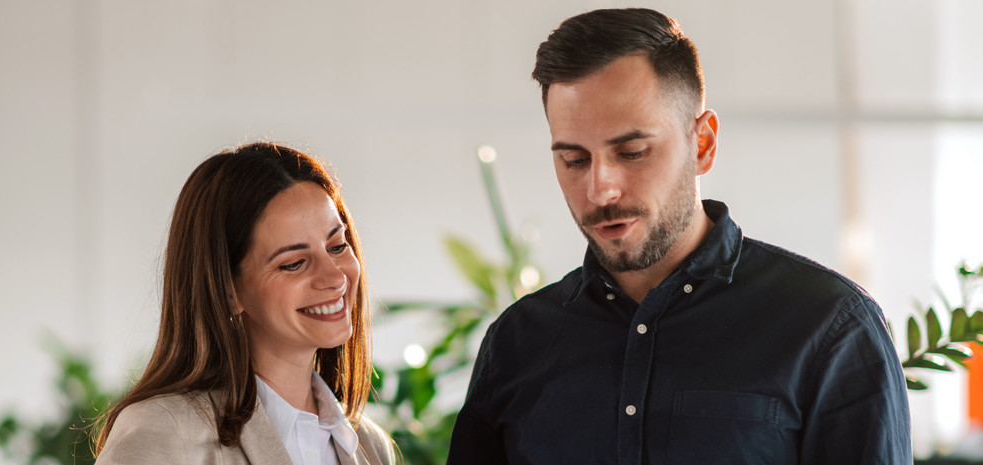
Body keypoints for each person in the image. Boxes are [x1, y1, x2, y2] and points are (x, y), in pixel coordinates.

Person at [447, 8, 910, 464]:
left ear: (703, 143)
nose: (600, 188)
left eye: (631, 152)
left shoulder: (831, 328)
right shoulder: (517, 343)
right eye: (574, 160)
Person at [92, 143, 396, 465]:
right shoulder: (164, 434)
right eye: (293, 263)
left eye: (336, 246)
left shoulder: (370, 447)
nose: (335, 278)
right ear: (227, 290)